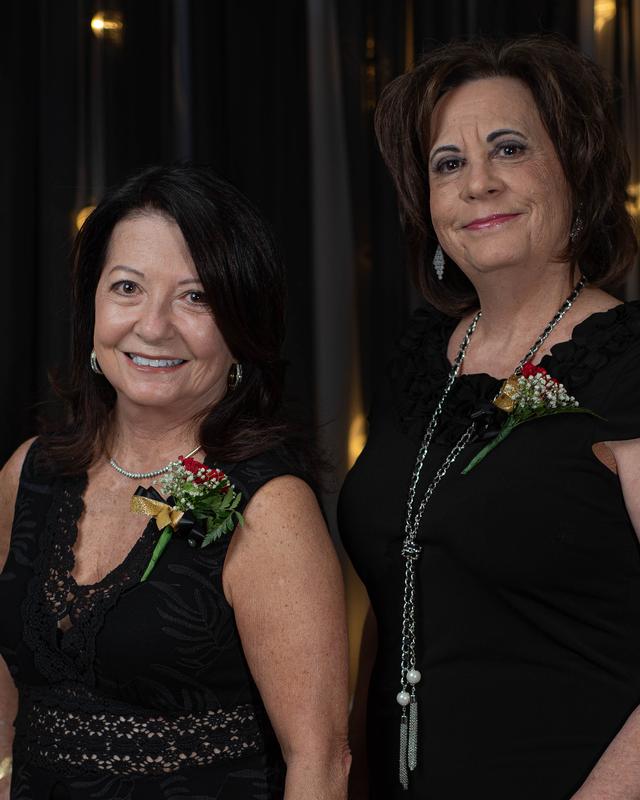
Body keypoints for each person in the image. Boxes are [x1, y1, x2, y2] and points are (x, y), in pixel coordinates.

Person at [339, 35, 640, 800]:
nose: (478, 183)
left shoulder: (629, 362)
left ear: (576, 172)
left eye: (509, 149)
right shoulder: (418, 361)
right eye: (448, 164)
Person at [0, 164, 350, 799]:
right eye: (127, 287)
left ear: (242, 327)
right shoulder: (27, 475)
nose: (154, 325)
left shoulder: (269, 508)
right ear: (92, 306)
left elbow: (320, 764)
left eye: (196, 297)